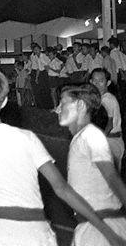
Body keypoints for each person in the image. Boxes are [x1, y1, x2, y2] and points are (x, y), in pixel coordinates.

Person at [0, 67, 122, 246]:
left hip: (0, 232)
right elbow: (62, 188)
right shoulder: (28, 138)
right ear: (5, 100)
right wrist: (104, 229)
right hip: (38, 233)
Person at [56, 83, 126, 245]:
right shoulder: (82, 137)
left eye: (63, 102)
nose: (59, 108)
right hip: (93, 226)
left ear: (80, 105)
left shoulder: (91, 136)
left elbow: (111, 177)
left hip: (100, 227)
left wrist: (108, 233)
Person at [90, 69, 125, 172]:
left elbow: (109, 124)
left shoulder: (107, 99)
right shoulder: (100, 97)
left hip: (111, 141)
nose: (97, 84)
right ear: (91, 82)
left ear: (108, 83)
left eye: (101, 81)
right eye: (94, 81)